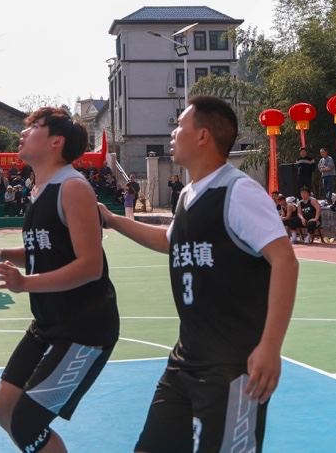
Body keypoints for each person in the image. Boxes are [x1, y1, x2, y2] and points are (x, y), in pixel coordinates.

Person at [98, 96, 296, 452]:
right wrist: (112, 220)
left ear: (203, 136)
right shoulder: (189, 193)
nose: (172, 134)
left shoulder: (239, 192)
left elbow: (285, 260)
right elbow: (168, 241)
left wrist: (270, 346)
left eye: (179, 127)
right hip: (186, 360)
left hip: (232, 364)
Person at [0, 107, 118, 453]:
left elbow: (90, 266)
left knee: (27, 424)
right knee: (4, 409)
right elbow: (45, 249)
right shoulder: (41, 189)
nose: (23, 133)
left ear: (57, 142)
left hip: (83, 330)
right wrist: (3, 254)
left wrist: (24, 282)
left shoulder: (73, 187)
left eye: (34, 127)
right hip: (49, 323)